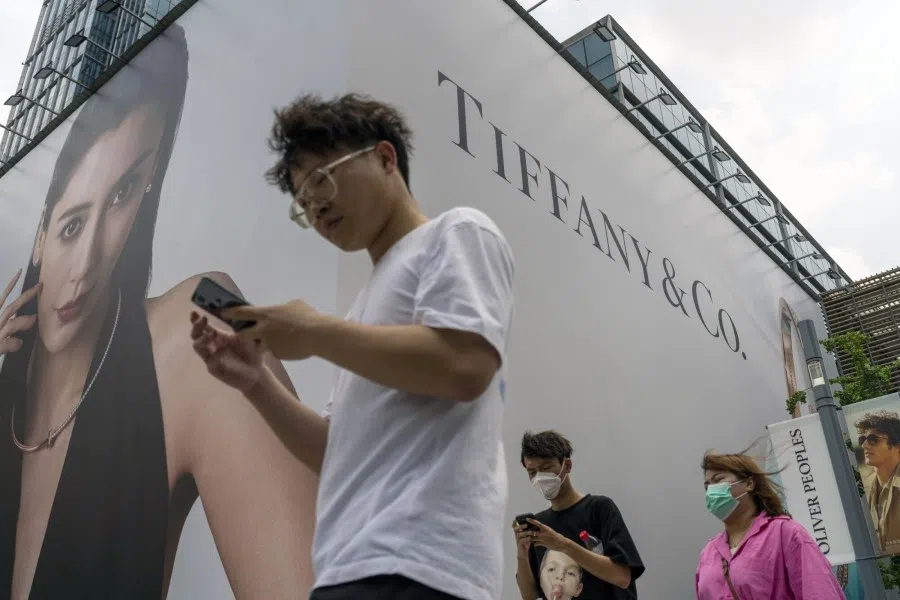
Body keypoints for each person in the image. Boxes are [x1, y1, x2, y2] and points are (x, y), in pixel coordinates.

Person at [0, 24, 318, 600]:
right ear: (41, 234)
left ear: (149, 188)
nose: (85, 266)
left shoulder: (207, 308)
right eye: (72, 224)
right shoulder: (6, 398)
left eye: (123, 195)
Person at [188, 92, 515, 600]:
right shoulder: (362, 308)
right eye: (302, 200)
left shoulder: (457, 233)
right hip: (349, 568)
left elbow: (465, 366)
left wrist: (315, 332)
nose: (315, 205)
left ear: (386, 158)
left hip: (422, 565)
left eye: (322, 178)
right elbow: (332, 451)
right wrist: (256, 383)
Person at [512, 430, 644, 599]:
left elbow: (622, 577)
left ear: (567, 465)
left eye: (546, 468)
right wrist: (522, 554)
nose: (539, 477)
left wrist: (563, 545)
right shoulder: (540, 525)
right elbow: (529, 596)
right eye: (532, 472)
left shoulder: (599, 509)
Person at [696, 449, 844, 599]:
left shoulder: (785, 533)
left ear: (749, 483)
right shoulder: (708, 553)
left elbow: (820, 593)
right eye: (707, 486)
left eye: (718, 480)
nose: (711, 491)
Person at [856, 411, 900, 554]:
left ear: (897, 446)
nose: (865, 445)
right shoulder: (863, 488)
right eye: (863, 439)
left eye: (873, 439)